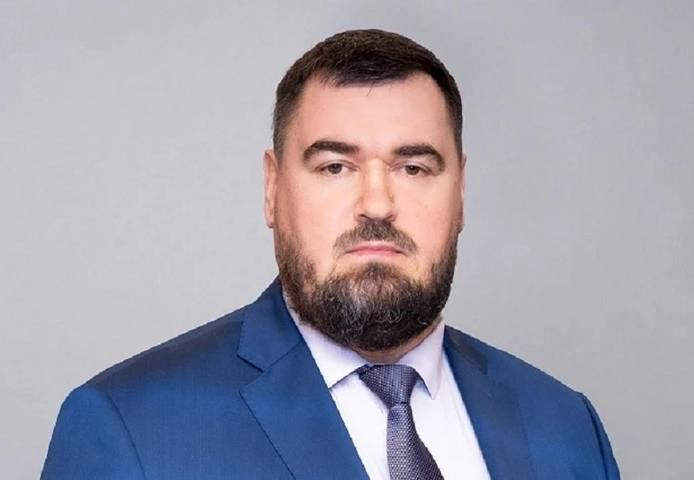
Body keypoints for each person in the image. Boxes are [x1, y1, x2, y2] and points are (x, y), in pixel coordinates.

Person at [42, 29, 620, 479]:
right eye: (335, 167)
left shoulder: (566, 428)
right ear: (273, 189)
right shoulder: (132, 428)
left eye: (414, 168)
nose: (377, 204)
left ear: (461, 192)